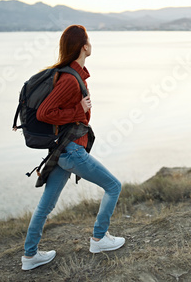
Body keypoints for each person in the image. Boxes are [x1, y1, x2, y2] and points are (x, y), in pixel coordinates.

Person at [21, 25, 124, 271]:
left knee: (45, 207)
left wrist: (78, 109)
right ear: (83, 46)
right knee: (113, 186)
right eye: (88, 40)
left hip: (62, 151)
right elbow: (46, 113)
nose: (91, 44)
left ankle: (30, 256)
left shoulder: (72, 74)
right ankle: (99, 239)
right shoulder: (69, 79)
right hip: (72, 152)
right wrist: (80, 109)